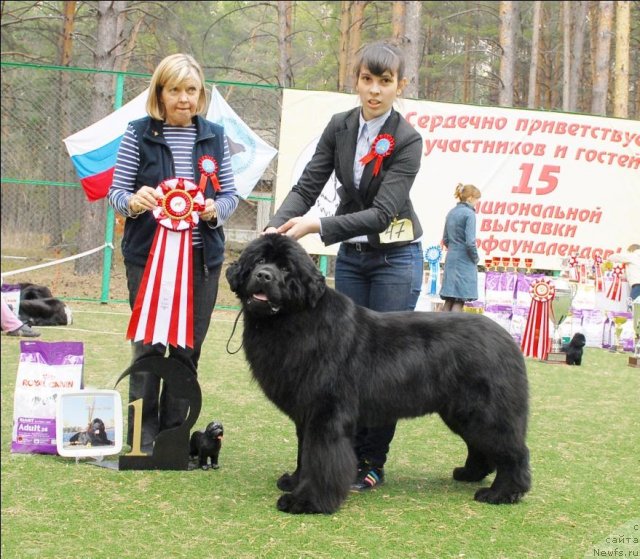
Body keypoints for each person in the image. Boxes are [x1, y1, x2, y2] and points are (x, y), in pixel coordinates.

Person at [264, 41, 424, 491]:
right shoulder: (340, 126)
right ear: (355, 80)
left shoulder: (408, 140)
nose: (374, 91)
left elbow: (384, 213)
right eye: (367, 80)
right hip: (353, 259)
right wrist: (275, 229)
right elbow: (307, 184)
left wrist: (316, 226)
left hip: (396, 258)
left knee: (385, 367)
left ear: (400, 86)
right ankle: (337, 459)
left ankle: (372, 462)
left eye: (385, 82)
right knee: (341, 367)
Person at [107, 53, 239, 450]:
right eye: (175, 90)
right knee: (147, 345)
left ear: (201, 95)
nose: (184, 99)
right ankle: (139, 437)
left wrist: (215, 210)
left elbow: (231, 194)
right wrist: (133, 201)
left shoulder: (215, 135)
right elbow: (117, 192)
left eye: (191, 90)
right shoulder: (138, 133)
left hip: (201, 262)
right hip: (148, 258)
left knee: (187, 348)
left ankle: (172, 435)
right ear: (160, 93)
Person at [439, 183, 481, 312]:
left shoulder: (451, 212)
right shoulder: (469, 214)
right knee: (459, 299)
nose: (477, 203)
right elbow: (470, 242)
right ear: (470, 198)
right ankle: (453, 331)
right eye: (477, 200)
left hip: (451, 258)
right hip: (465, 260)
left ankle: (439, 330)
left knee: (449, 299)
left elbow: (445, 239)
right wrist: (475, 258)